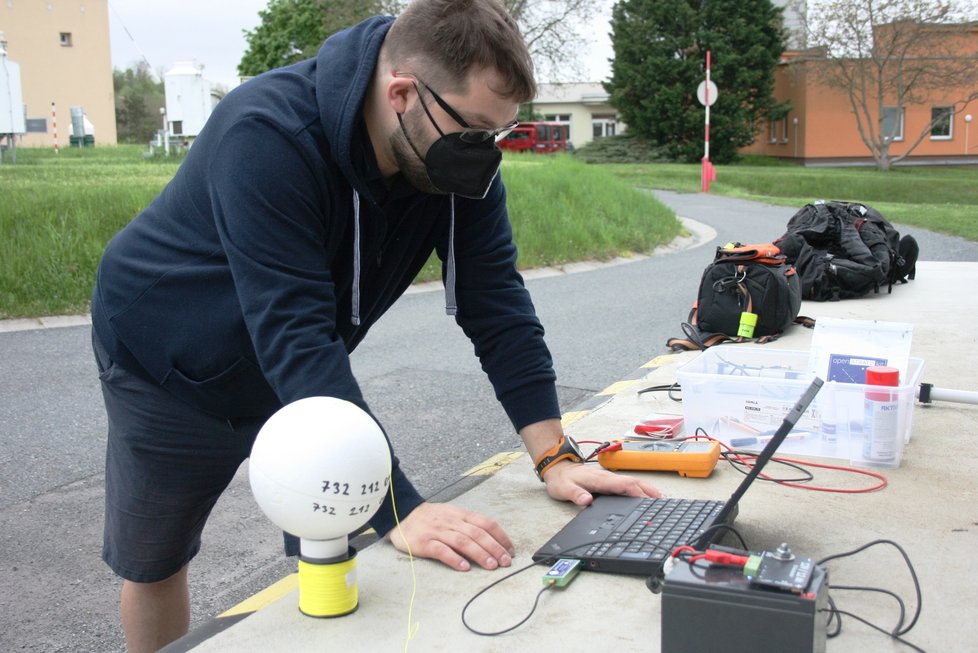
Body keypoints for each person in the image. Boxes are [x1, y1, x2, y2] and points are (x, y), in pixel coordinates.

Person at [90, 1, 661, 650]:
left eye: (496, 135)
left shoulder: (451, 164)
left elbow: (495, 301)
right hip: (170, 365)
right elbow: (296, 336)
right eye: (473, 130)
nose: (485, 155)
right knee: (158, 562)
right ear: (400, 93)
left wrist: (555, 455)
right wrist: (399, 509)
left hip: (302, 369)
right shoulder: (266, 134)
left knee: (334, 554)